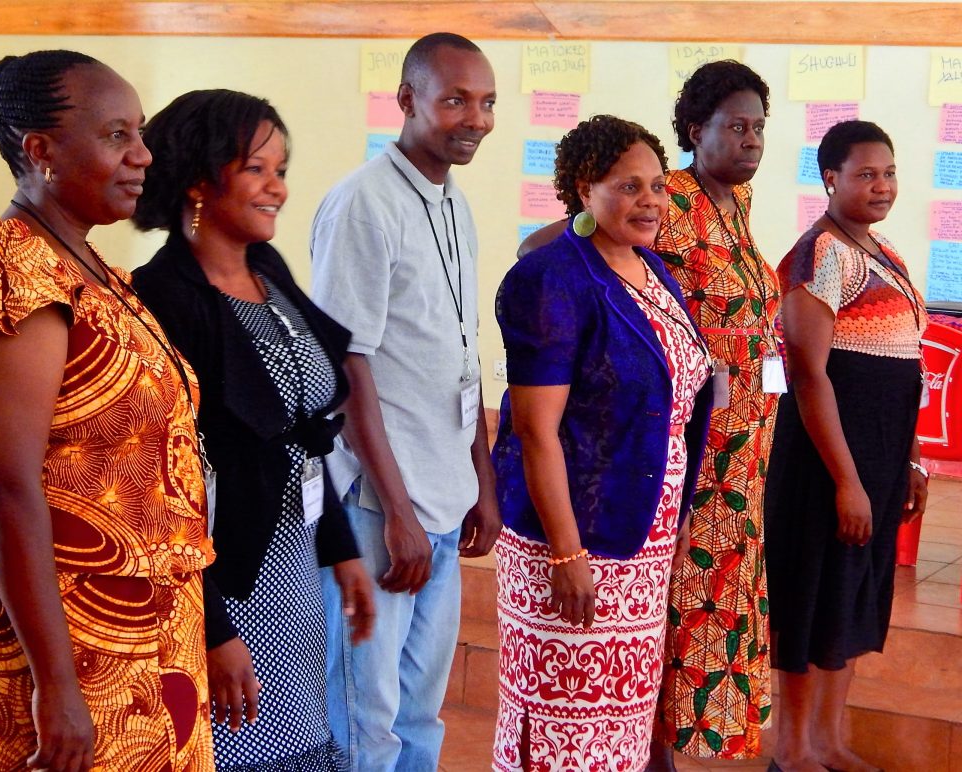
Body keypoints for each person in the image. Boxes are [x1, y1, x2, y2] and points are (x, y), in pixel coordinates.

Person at [0, 50, 213, 770]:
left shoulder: (84, 268)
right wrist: (58, 685)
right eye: (117, 135)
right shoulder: (18, 278)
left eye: (141, 133)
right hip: (67, 644)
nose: (143, 155)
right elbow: (3, 487)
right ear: (42, 152)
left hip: (138, 628)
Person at [130, 89, 374, 771]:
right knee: (241, 746)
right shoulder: (165, 298)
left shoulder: (266, 271)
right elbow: (159, 487)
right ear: (203, 178)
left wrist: (342, 549)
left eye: (282, 169)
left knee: (300, 736)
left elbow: (304, 434)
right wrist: (213, 628)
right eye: (258, 169)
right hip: (226, 581)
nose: (279, 188)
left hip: (293, 567)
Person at [491, 115, 713, 771]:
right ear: (586, 189)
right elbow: (535, 429)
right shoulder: (553, 278)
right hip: (573, 540)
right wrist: (566, 554)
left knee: (617, 729)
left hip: (640, 541)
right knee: (562, 727)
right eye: (629, 186)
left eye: (658, 186)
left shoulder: (650, 272)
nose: (651, 200)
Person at [310, 32, 502, 771]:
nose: (475, 118)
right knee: (368, 713)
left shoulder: (454, 204)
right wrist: (395, 511)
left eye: (486, 102)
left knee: (423, 710)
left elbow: (460, 352)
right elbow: (344, 363)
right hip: (378, 507)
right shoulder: (364, 203)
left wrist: (481, 480)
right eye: (455, 99)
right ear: (407, 101)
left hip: (444, 496)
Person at [764, 120, 928, 772]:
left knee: (853, 596)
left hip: (882, 458)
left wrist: (909, 461)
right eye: (865, 173)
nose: (881, 184)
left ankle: (829, 741)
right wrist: (847, 480)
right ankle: (794, 749)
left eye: (888, 172)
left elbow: (902, 364)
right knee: (812, 594)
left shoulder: (884, 252)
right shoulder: (819, 255)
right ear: (830, 178)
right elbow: (809, 374)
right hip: (826, 461)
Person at [650, 60, 779, 768]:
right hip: (695, 452)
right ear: (696, 131)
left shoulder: (739, 203)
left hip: (747, 454)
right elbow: (571, 243)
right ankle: (655, 746)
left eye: (759, 127)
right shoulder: (667, 197)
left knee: (718, 598)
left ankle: (679, 741)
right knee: (681, 596)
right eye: (736, 126)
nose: (751, 139)